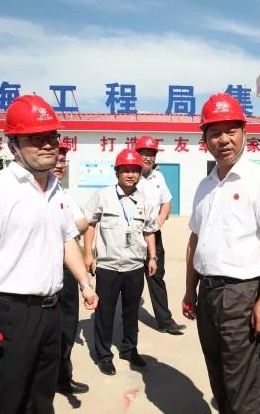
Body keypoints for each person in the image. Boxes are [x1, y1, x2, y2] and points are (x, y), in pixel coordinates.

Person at [0, 94, 99, 414]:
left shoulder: (56, 189)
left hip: (51, 312)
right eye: (36, 139)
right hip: (10, 313)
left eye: (51, 136)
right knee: (3, 399)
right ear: (13, 144)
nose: (47, 145)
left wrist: (85, 284)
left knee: (41, 397)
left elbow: (67, 241)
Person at [183, 92, 260, 414]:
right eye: (215, 133)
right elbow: (195, 239)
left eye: (231, 131)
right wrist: (189, 289)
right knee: (219, 379)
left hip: (241, 296)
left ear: (244, 132)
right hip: (208, 295)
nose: (224, 140)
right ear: (205, 139)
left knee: (246, 388)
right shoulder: (205, 186)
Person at [83, 148, 158, 376]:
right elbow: (90, 224)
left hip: (134, 266)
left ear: (140, 174)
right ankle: (104, 355)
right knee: (104, 312)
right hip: (108, 266)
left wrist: (152, 257)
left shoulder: (144, 200)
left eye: (135, 171)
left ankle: (129, 349)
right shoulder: (103, 196)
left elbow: (149, 230)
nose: (130, 175)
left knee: (131, 311)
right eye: (125, 170)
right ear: (117, 172)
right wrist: (88, 253)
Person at [135, 135, 186, 335]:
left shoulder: (158, 177)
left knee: (156, 276)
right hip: (133, 236)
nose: (148, 158)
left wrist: (161, 219)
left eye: (152, 154)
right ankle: (129, 322)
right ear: (137, 154)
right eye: (144, 153)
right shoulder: (130, 174)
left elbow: (166, 201)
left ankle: (165, 321)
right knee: (132, 279)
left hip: (154, 235)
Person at [51, 145, 90, 395]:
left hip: (67, 267)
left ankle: (63, 377)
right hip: (42, 271)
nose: (60, 164)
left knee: (68, 325)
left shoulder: (63, 193)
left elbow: (83, 223)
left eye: (63, 161)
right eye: (56, 159)